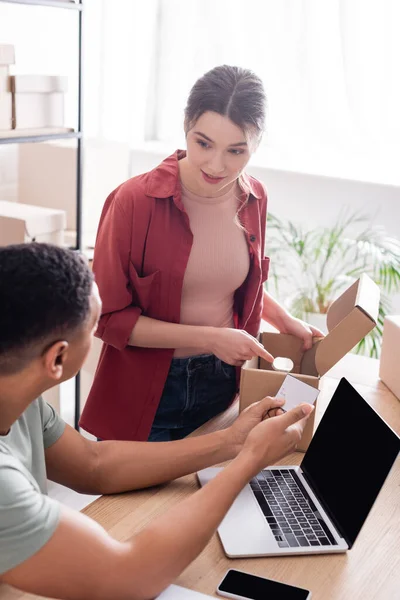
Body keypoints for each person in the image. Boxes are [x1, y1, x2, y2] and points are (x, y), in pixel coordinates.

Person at [0, 243, 313, 600]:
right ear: (58, 357)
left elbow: (92, 464)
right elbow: (125, 577)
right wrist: (248, 462)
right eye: (93, 327)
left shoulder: (19, 399)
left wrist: (234, 442)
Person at [80, 64, 322, 443]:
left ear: (257, 143)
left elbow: (227, 276)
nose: (216, 165)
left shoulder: (254, 196)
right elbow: (107, 319)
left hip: (224, 382)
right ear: (185, 126)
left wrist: (283, 318)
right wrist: (211, 337)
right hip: (149, 393)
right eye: (203, 143)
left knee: (216, 496)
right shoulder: (133, 202)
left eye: (236, 150)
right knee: (137, 505)